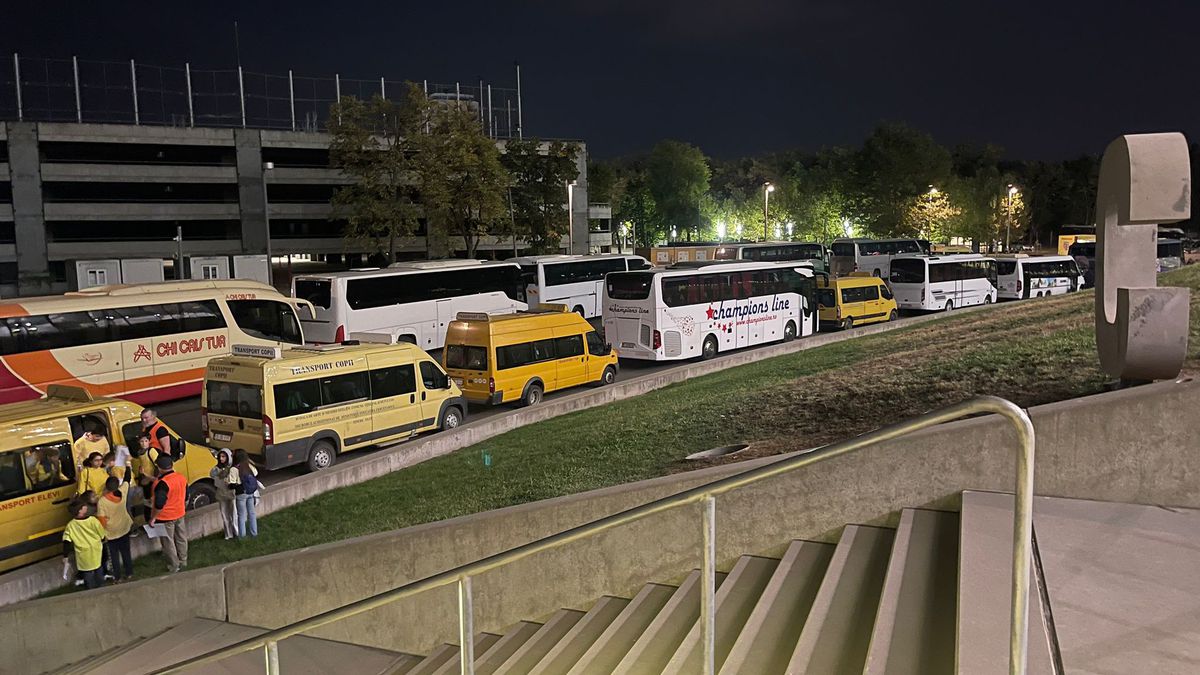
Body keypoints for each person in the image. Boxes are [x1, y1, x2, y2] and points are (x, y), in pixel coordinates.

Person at [150, 455, 188, 573]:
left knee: (168, 542)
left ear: (159, 468)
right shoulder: (181, 478)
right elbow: (186, 496)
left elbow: (159, 504)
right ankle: (183, 560)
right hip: (180, 513)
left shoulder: (162, 484)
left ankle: (174, 565)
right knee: (181, 538)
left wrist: (153, 518)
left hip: (166, 517)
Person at [62, 497, 106, 590]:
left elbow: (66, 541)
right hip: (96, 549)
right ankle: (101, 586)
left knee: (87, 571)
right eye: (83, 507)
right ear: (80, 511)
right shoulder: (93, 520)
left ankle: (90, 589)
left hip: (82, 553)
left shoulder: (71, 525)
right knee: (98, 567)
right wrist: (102, 539)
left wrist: (65, 556)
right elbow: (101, 533)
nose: (86, 507)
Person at [97, 477, 134, 583]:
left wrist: (102, 534)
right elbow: (127, 479)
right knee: (126, 552)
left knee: (114, 557)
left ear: (106, 487)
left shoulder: (102, 502)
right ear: (118, 485)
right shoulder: (123, 491)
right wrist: (127, 465)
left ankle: (117, 577)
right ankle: (129, 573)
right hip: (124, 528)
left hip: (111, 532)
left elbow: (102, 519)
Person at [210, 449, 238, 540]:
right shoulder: (216, 468)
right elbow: (212, 475)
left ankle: (236, 532)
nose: (221, 459)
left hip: (231, 493)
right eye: (220, 456)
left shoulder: (232, 468)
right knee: (224, 514)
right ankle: (228, 534)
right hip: (221, 494)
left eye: (224, 456)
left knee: (234, 514)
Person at [231, 449, 259, 539]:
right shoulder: (249, 466)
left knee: (241, 515)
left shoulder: (234, 469)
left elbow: (231, 484)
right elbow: (256, 473)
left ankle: (242, 536)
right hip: (251, 492)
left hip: (241, 494)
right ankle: (254, 533)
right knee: (252, 513)